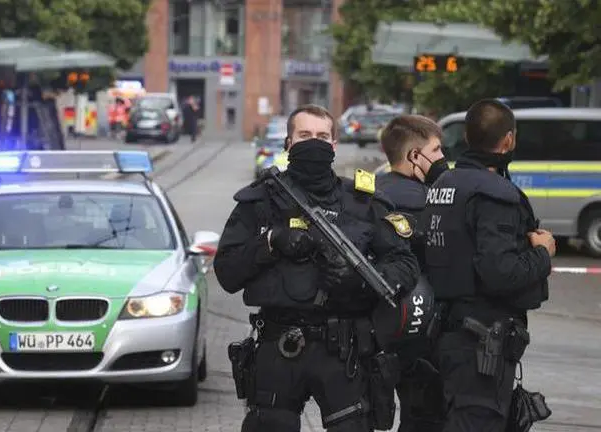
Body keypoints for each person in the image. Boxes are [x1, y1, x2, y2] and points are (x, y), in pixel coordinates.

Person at [214, 104, 420, 432]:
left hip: (343, 351)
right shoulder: (260, 201)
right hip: (278, 345)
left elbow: (405, 264)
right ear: (288, 143)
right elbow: (226, 272)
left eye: (323, 136)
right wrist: (270, 242)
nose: (314, 142)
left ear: (335, 145)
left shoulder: (363, 200)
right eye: (305, 135)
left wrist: (360, 282)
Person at [421, 99, 553, 431]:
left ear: (466, 137)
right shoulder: (495, 194)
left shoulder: (444, 185)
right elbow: (501, 273)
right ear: (508, 140)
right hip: (480, 345)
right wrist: (543, 253)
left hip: (445, 333)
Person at [375, 115, 449, 432]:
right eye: (436, 150)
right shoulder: (435, 202)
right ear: (414, 157)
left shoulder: (368, 194)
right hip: (426, 331)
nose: (443, 158)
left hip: (374, 333)